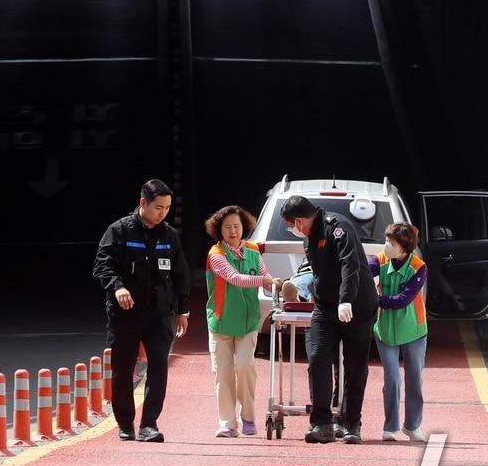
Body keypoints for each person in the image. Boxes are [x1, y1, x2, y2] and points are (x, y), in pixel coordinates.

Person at [93, 179, 190, 442]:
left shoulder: (169, 236)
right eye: (159, 207)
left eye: (167, 208)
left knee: (159, 367)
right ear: (143, 203)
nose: (163, 213)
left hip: (159, 314)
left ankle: (150, 424)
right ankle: (126, 424)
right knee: (122, 370)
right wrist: (118, 287)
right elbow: (102, 266)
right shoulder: (119, 231)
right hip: (125, 314)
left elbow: (181, 275)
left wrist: (183, 311)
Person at [279, 194, 377, 444]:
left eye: (291, 226)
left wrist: (346, 299)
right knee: (318, 358)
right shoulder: (309, 238)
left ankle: (351, 422)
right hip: (325, 306)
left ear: (299, 222)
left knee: (354, 366)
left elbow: (349, 264)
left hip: (356, 305)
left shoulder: (338, 227)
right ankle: (321, 422)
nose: (292, 230)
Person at [203, 205, 280, 438]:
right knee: (223, 373)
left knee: (245, 367)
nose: (232, 231)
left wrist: (276, 283)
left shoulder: (253, 251)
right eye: (227, 227)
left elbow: (264, 278)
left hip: (248, 322)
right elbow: (234, 278)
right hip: (221, 322)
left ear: (244, 227)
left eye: (236, 226)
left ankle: (248, 417)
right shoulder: (215, 254)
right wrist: (263, 279)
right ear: (219, 230)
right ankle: (227, 422)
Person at [369, 222, 428, 443]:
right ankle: (390, 427)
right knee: (392, 378)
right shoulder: (379, 261)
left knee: (414, 379)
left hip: (413, 330)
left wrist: (376, 300)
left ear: (405, 247)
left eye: (392, 243)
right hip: (385, 330)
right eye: (386, 240)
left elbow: (404, 299)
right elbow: (363, 274)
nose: (387, 246)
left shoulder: (419, 267)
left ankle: (412, 426)